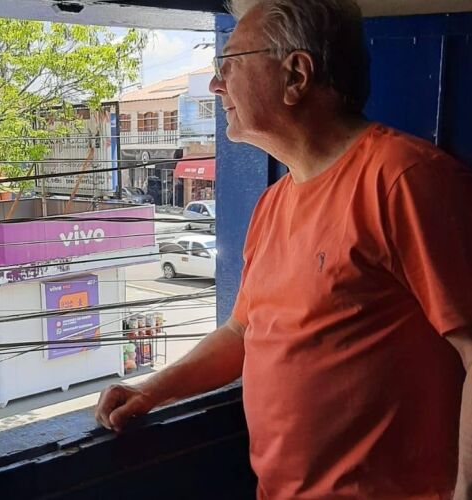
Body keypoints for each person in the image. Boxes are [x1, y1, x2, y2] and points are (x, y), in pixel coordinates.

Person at [94, 1, 472, 498]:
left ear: (296, 74)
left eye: (228, 64)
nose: (215, 84)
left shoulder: (404, 180)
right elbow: (242, 332)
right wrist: (152, 389)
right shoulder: (274, 201)